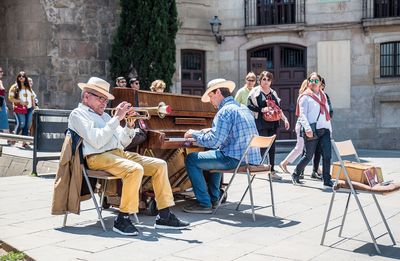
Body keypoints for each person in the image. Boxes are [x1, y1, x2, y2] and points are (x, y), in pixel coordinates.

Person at [68, 77, 189, 236]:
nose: (104, 103)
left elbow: (122, 142)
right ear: (86, 97)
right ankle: (122, 219)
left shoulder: (104, 116)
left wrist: (130, 125)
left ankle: (164, 216)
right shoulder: (78, 114)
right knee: (134, 169)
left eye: (106, 99)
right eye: (100, 98)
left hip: (118, 154)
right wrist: (117, 118)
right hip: (97, 157)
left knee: (160, 165)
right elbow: (97, 141)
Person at [182, 78, 261, 214]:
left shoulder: (224, 111)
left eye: (211, 97)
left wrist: (193, 134)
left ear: (218, 92)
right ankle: (214, 198)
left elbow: (213, 141)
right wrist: (207, 131)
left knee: (191, 159)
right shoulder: (243, 108)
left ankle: (204, 203)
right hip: (251, 159)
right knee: (217, 151)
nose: (211, 102)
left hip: (235, 160)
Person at [291, 72, 333, 188]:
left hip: (324, 130)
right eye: (311, 81)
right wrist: (307, 129)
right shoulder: (305, 97)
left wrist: (330, 130)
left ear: (320, 83)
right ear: (308, 82)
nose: (313, 83)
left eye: (316, 81)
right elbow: (302, 115)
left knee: (327, 155)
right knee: (308, 156)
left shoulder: (323, 96)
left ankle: (327, 179)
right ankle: (296, 173)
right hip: (312, 130)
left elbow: (327, 114)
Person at [247, 71, 290, 180]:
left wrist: (285, 119)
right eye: (264, 79)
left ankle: (271, 170)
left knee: (272, 146)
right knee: (262, 146)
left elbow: (278, 109)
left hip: (273, 123)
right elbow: (249, 106)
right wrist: (261, 109)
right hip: (261, 122)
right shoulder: (255, 92)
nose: (266, 81)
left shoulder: (273, 93)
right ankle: (257, 167)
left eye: (268, 79)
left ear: (271, 81)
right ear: (260, 80)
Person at [8, 71, 36, 149]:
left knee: (27, 126)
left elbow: (32, 98)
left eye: (23, 76)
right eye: (19, 76)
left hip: (29, 109)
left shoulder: (28, 87)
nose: (21, 77)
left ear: (25, 78)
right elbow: (10, 98)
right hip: (19, 108)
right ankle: (13, 137)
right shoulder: (14, 87)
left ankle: (24, 142)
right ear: (17, 77)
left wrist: (35, 108)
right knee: (21, 124)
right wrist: (20, 101)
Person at [0, 67, 11, 143]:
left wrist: (5, 105)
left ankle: (9, 139)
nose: (1, 73)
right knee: (4, 121)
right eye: (0, 71)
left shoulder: (0, 81)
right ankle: (9, 139)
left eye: (1, 71)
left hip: (2, 103)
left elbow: (2, 95)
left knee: (4, 121)